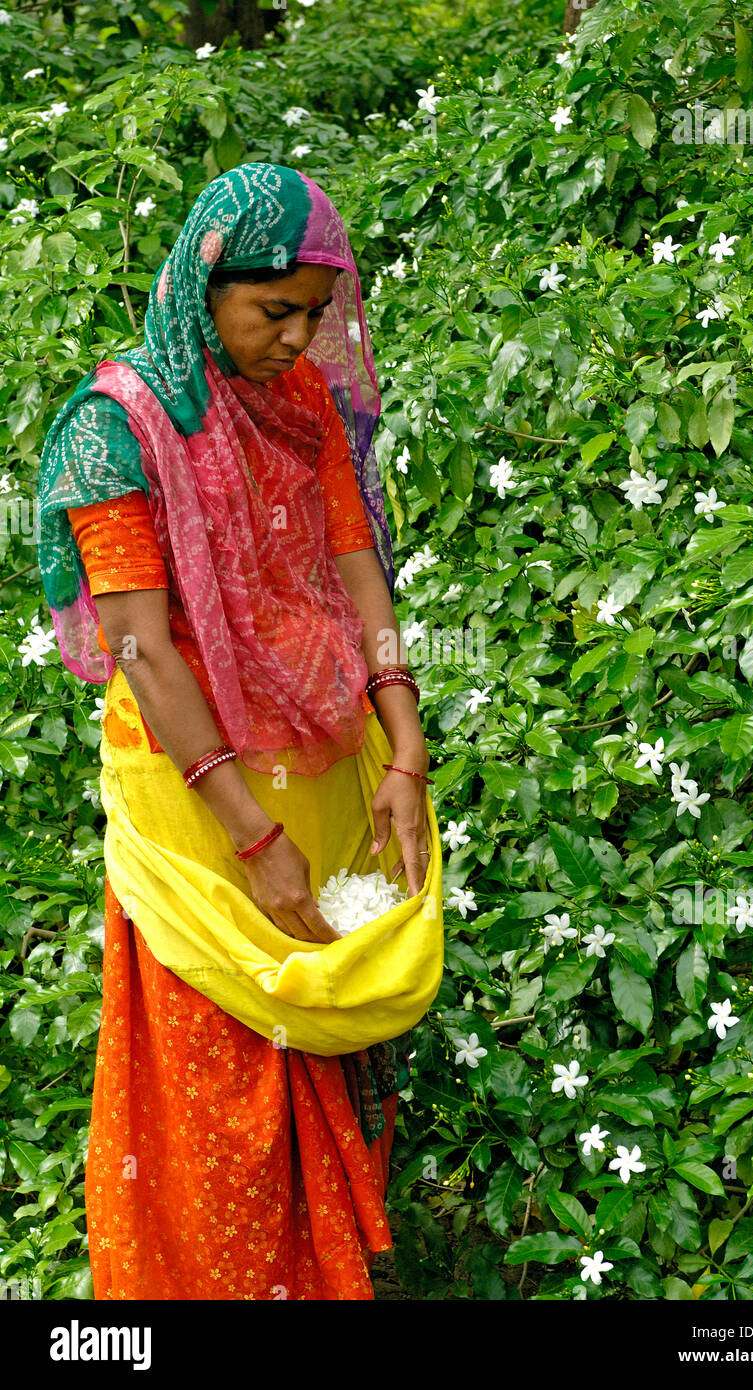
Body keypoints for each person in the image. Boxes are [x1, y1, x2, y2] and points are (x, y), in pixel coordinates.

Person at [36, 162, 442, 1300]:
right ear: (204, 285)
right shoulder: (109, 432)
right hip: (194, 797)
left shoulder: (305, 403)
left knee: (326, 1037)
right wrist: (251, 837)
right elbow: (145, 650)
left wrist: (403, 750)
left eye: (317, 314)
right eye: (276, 313)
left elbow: (358, 571)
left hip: (317, 758)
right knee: (218, 1072)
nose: (300, 338)